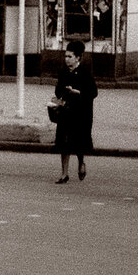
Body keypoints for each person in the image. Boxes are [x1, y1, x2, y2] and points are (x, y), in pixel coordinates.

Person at [52, 40, 98, 183]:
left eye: (70, 56)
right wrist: (58, 97)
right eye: (65, 56)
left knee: (79, 143)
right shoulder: (63, 72)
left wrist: (77, 92)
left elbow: (93, 92)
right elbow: (58, 89)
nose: (66, 59)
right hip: (66, 112)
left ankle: (80, 163)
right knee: (64, 143)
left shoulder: (85, 73)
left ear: (78, 58)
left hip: (81, 114)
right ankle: (64, 173)